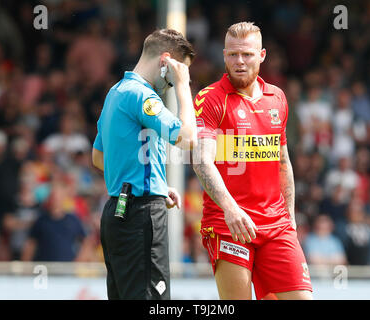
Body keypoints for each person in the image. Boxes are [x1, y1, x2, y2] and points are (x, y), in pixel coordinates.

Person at [192, 22, 312, 300]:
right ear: (224, 56)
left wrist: (291, 217)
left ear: (262, 55)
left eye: (247, 54)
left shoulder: (278, 98)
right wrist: (231, 210)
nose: (240, 61)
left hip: (276, 225)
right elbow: (201, 162)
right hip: (228, 224)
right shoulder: (210, 99)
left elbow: (282, 161)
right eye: (233, 55)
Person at [91, 29, 196, 300]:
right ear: (166, 63)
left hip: (117, 212)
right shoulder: (143, 97)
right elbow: (187, 138)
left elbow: (98, 158)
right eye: (174, 76)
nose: (171, 85)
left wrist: (155, 183)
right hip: (140, 215)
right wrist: (184, 87)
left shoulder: (115, 93)